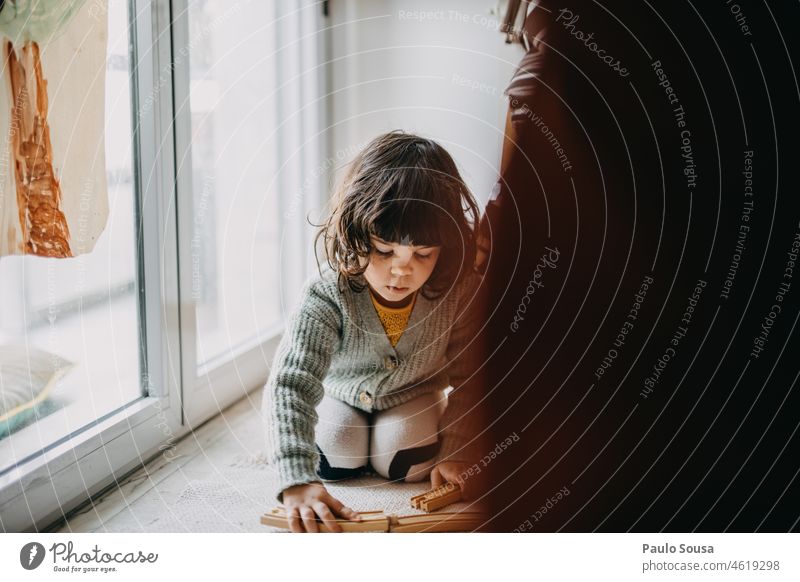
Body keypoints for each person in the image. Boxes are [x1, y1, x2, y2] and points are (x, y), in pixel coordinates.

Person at [262, 131, 487, 532]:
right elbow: (290, 384)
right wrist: (295, 478)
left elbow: (473, 378)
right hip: (342, 393)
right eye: (384, 251)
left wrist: (459, 450)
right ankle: (344, 450)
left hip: (414, 396)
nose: (402, 270)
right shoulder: (327, 292)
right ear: (355, 231)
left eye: (423, 254)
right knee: (335, 456)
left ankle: (388, 444)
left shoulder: (459, 292)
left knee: (406, 462)